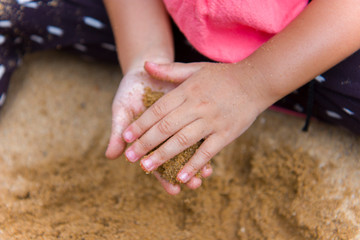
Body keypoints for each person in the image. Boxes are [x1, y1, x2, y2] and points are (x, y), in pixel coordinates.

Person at [1, 0, 359, 195]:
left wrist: (252, 84)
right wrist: (145, 62)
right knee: (10, 10)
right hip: (177, 26)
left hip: (314, 44)